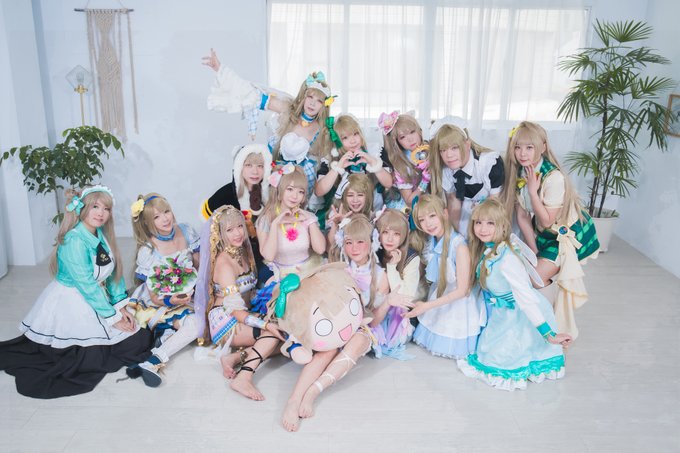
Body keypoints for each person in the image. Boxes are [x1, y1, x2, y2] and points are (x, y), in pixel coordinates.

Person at [0, 186, 152, 398]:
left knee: (139, 338)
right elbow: (86, 285)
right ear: (82, 209)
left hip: (96, 298)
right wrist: (113, 317)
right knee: (91, 357)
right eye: (95, 207)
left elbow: (111, 275)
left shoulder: (100, 234)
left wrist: (121, 306)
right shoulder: (74, 240)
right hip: (72, 301)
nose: (101, 213)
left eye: (106, 208)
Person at [284, 215, 391, 431]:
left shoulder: (381, 276)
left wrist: (388, 302)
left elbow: (375, 320)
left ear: (372, 242)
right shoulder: (338, 268)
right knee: (327, 351)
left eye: (360, 241)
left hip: (364, 324)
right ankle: (293, 400)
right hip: (336, 326)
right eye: (349, 242)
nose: (354, 248)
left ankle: (313, 392)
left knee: (358, 340)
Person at [458, 198, 572, 390]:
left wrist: (548, 335)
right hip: (503, 313)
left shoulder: (508, 259)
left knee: (502, 362)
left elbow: (525, 298)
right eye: (478, 222)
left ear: (502, 225)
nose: (483, 229)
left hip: (522, 314)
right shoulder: (492, 249)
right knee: (488, 353)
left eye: (490, 223)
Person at [502, 121, 599, 338]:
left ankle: (551, 328)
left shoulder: (554, 178)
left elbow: (547, 221)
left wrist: (533, 192)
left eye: (529, 147)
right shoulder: (521, 172)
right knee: (526, 272)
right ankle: (539, 326)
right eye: (517, 147)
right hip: (543, 235)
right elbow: (522, 217)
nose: (523, 153)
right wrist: (534, 252)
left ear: (543, 147)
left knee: (535, 278)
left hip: (565, 236)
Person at [203, 49, 333, 196]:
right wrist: (220, 69)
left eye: (319, 101)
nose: (312, 103)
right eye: (310, 97)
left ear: (324, 105)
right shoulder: (288, 110)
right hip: (273, 179)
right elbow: (253, 95)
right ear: (303, 96)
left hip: (299, 189)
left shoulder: (323, 130)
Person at [194, 206, 285, 401]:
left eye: (239, 227)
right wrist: (265, 324)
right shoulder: (224, 263)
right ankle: (244, 377)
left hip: (243, 314)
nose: (237, 233)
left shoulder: (242, 251)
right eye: (229, 229)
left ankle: (234, 357)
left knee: (287, 335)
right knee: (274, 333)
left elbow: (250, 293)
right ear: (220, 233)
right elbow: (235, 310)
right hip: (226, 320)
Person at [124, 193, 200, 387]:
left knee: (200, 323)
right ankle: (157, 353)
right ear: (147, 223)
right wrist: (171, 300)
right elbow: (155, 297)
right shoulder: (148, 251)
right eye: (156, 217)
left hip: (188, 294)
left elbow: (200, 267)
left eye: (167, 212)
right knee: (195, 325)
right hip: (159, 301)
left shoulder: (186, 231)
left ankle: (160, 346)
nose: (165, 219)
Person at [405, 195, 484, 360]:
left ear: (445, 214)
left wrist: (427, 306)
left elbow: (462, 291)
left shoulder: (459, 246)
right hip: (441, 294)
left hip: (459, 303)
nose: (428, 223)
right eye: (422, 220)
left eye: (432, 216)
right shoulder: (431, 242)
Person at [201, 143, 273, 282]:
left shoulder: (270, 193)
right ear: (239, 166)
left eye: (260, 166)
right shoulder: (224, 195)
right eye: (248, 165)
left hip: (265, 251)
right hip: (235, 255)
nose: (255, 171)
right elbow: (212, 233)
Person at [428, 121, 504, 237]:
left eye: (455, 148)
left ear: (467, 145)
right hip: (466, 215)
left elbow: (495, 204)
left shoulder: (489, 163)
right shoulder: (446, 170)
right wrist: (454, 237)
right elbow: (454, 205)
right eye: (443, 150)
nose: (449, 155)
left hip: (493, 217)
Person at [256, 164, 326, 280]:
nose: (295, 196)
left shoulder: (307, 217)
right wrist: (275, 224)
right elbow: (268, 256)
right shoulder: (266, 220)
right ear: (279, 190)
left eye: (300, 192)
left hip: (308, 272)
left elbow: (320, 249)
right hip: (281, 275)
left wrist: (310, 220)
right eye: (290, 189)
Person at [374, 208, 420, 359]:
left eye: (396, 234)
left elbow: (405, 297)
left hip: (400, 312)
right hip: (379, 306)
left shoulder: (411, 258)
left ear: (404, 235)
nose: (390, 239)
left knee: (390, 341)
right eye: (385, 232)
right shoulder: (375, 251)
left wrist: (392, 267)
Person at [315, 114, 392, 202]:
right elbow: (319, 192)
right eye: (345, 138)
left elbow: (388, 184)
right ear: (337, 141)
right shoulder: (330, 158)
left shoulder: (374, 152)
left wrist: (373, 162)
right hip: (341, 207)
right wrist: (337, 168)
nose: (353, 141)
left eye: (355, 134)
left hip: (373, 206)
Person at [379, 112, 430, 209]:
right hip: (407, 208)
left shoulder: (429, 150)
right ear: (397, 142)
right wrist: (425, 181)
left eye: (412, 132)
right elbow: (409, 202)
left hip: (426, 201)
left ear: (419, 131)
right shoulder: (402, 164)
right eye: (402, 137)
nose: (410, 139)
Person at [325, 173, 374, 252]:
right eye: (350, 195)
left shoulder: (371, 216)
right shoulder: (336, 214)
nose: (355, 200)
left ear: (367, 197)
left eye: (360, 195)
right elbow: (329, 248)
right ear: (344, 197)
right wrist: (336, 224)